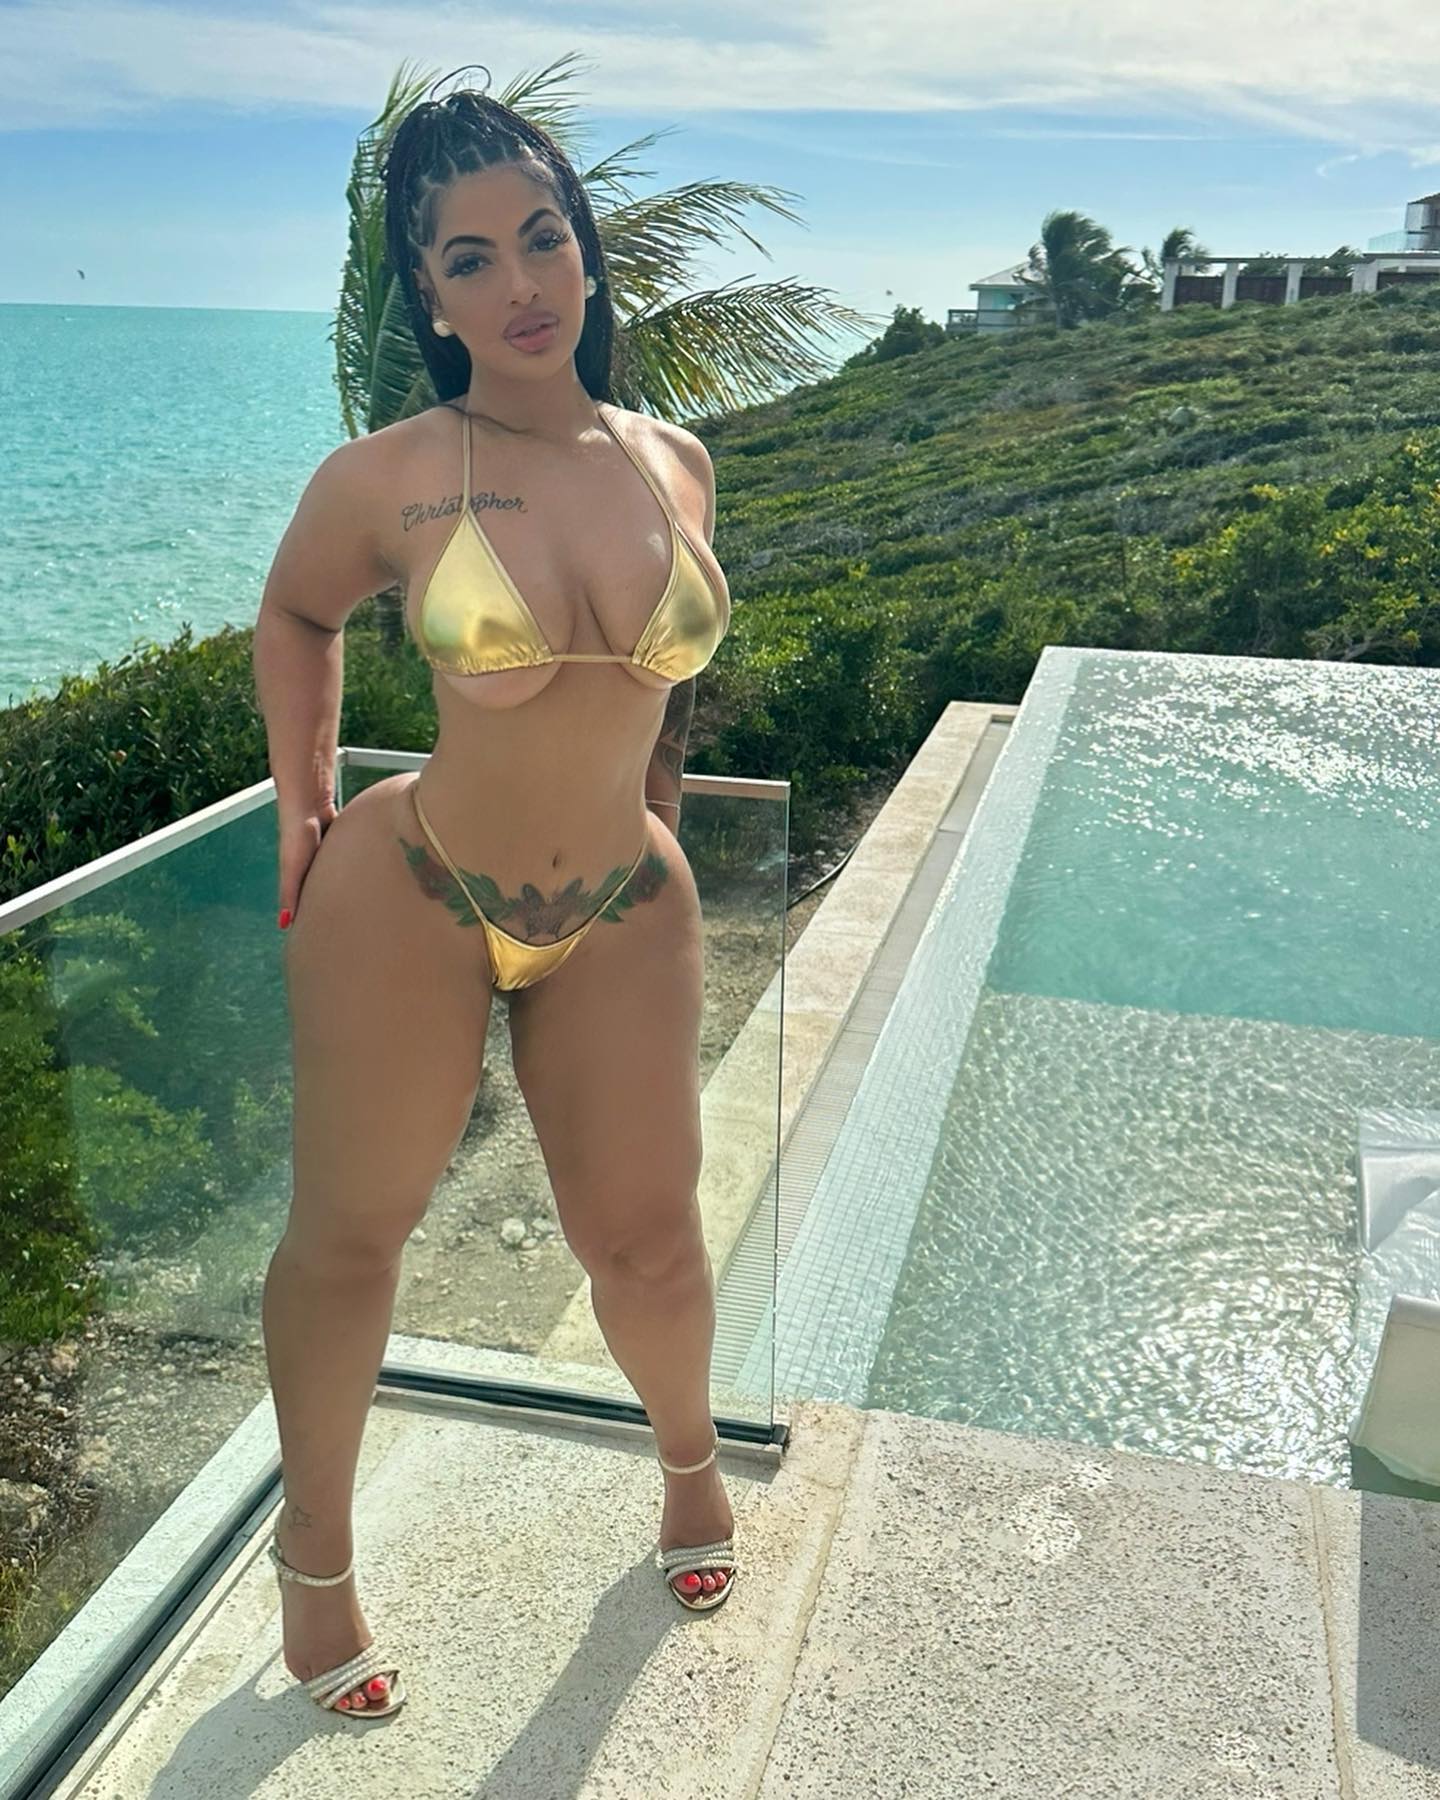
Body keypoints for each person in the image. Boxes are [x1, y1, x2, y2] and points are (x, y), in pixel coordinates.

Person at [251, 67, 738, 1722]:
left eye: (541, 237)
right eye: (470, 258)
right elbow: (295, 615)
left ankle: (689, 1463)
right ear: (432, 295)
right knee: (352, 1241)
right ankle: (315, 1562)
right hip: (415, 891)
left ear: (586, 252)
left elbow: (655, 679)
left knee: (651, 1243)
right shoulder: (387, 474)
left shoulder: (674, 459)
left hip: (624, 904)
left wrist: (658, 801)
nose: (519, 282)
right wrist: (303, 800)